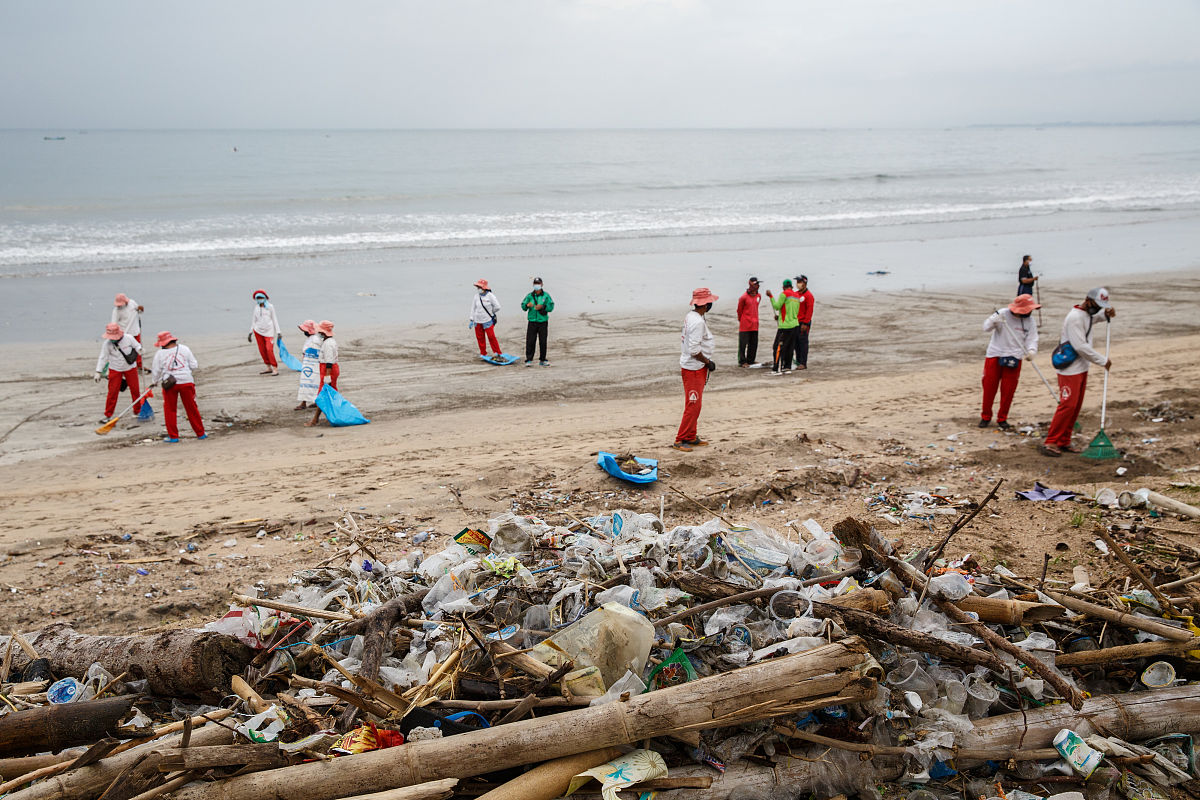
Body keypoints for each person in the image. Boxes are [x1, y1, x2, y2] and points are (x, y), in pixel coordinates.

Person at [1042, 287, 1115, 457]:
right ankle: (1051, 441)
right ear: (1088, 300)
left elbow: (1090, 320)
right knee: (1067, 405)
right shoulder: (1074, 317)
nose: (1098, 308)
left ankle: (1064, 440)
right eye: (1097, 305)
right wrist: (1102, 360)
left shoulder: (1086, 314)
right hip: (1070, 368)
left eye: (1101, 306)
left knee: (1075, 407)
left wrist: (1105, 316)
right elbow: (1080, 346)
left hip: (1082, 367)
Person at [979, 294, 1041, 430]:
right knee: (989, 387)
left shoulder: (1030, 322)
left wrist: (1031, 351)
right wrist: (994, 320)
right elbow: (985, 328)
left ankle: (1002, 418)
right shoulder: (1003, 314)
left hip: (1014, 357)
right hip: (995, 354)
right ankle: (985, 417)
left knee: (1008, 390)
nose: (1029, 312)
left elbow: (1032, 338)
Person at [674, 287, 718, 452]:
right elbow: (694, 350)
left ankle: (691, 436)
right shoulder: (697, 321)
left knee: (696, 404)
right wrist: (707, 362)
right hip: (694, 368)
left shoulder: (692, 316)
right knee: (693, 404)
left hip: (694, 366)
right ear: (705, 304)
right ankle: (680, 439)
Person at [149, 330, 206, 443]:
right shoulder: (185, 349)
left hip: (170, 384)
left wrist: (154, 382)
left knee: (170, 409)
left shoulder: (160, 354)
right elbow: (194, 365)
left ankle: (173, 436)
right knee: (192, 408)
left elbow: (156, 371)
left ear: (163, 343)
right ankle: (200, 433)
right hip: (186, 381)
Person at [94, 323, 144, 423]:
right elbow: (103, 357)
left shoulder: (129, 338)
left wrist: (140, 350)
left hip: (130, 368)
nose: (112, 339)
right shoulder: (107, 344)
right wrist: (98, 371)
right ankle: (108, 415)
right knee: (112, 392)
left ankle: (137, 411)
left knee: (135, 390)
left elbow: (137, 345)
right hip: (115, 369)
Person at [765, 279, 801, 374]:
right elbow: (792, 310)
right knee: (790, 347)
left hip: (785, 326)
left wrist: (771, 296)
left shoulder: (784, 294)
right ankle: (787, 367)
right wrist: (780, 317)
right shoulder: (797, 296)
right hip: (795, 324)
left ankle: (776, 368)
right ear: (792, 286)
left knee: (777, 347)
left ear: (783, 287)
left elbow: (777, 306)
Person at [307, 320, 339, 426]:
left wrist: (327, 376)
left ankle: (315, 419)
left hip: (328, 369)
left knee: (322, 394)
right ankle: (332, 415)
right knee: (330, 394)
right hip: (327, 369)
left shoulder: (328, 344)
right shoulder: (328, 342)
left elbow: (329, 361)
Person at [520, 277, 554, 366]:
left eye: (538, 284)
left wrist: (542, 307)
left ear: (542, 284)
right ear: (533, 285)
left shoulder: (546, 296)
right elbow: (523, 306)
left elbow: (551, 307)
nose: (537, 286)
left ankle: (542, 360)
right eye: (535, 284)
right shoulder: (530, 296)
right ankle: (529, 359)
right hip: (532, 321)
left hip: (543, 321)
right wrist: (527, 305)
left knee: (543, 341)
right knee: (530, 341)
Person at [247, 290, 281, 376]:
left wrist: (278, 332)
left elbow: (274, 319)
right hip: (258, 331)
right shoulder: (256, 308)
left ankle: (275, 367)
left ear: (265, 298)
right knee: (262, 350)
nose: (260, 299)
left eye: (261, 297)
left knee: (269, 349)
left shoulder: (270, 307)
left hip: (269, 331)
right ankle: (268, 367)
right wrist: (250, 332)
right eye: (258, 298)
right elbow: (254, 321)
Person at [111, 293, 146, 372]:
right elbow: (113, 324)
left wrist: (141, 309)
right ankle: (127, 366)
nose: (119, 306)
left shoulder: (132, 303)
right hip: (124, 334)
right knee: (126, 351)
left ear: (126, 302)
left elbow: (139, 311)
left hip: (135, 331)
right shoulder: (116, 311)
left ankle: (139, 366)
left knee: (138, 348)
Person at [469, 279, 503, 358]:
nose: (478, 289)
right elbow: (473, 308)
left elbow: (497, 307)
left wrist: (491, 312)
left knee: (491, 337)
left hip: (487, 320)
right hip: (477, 321)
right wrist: (471, 319)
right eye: (478, 287)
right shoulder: (476, 296)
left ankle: (497, 352)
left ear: (484, 287)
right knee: (480, 338)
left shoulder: (490, 296)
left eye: (479, 287)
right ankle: (483, 353)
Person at [295, 320, 321, 410]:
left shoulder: (315, 339)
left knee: (310, 383)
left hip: (312, 365)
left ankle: (305, 403)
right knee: (307, 383)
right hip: (307, 365)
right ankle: (307, 402)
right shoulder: (311, 339)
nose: (304, 332)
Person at [736, 277, 762, 367]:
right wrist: (741, 319)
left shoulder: (759, 296)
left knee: (753, 343)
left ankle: (751, 360)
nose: (757, 286)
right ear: (750, 285)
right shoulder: (743, 297)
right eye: (755, 284)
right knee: (743, 344)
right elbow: (739, 310)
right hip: (745, 324)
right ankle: (742, 361)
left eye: (758, 284)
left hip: (755, 323)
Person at [793, 275, 814, 370]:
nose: (798, 284)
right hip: (795, 322)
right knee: (796, 343)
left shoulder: (808, 296)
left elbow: (809, 311)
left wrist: (806, 323)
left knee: (803, 343)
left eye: (800, 282)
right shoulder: (796, 294)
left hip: (803, 322)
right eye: (797, 282)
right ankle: (798, 361)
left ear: (804, 283)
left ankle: (803, 362)